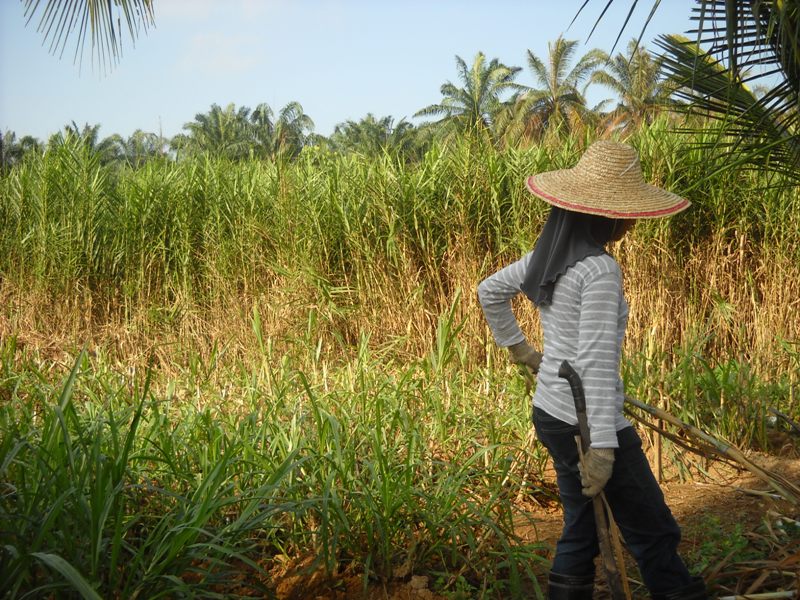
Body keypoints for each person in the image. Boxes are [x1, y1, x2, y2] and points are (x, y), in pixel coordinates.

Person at [477, 141, 706, 600]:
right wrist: (602, 447)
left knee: (580, 524)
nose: (631, 223)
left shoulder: (547, 257)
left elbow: (489, 291)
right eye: (628, 214)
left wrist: (521, 349)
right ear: (611, 216)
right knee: (651, 526)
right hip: (588, 422)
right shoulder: (599, 269)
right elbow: (598, 363)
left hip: (551, 412)